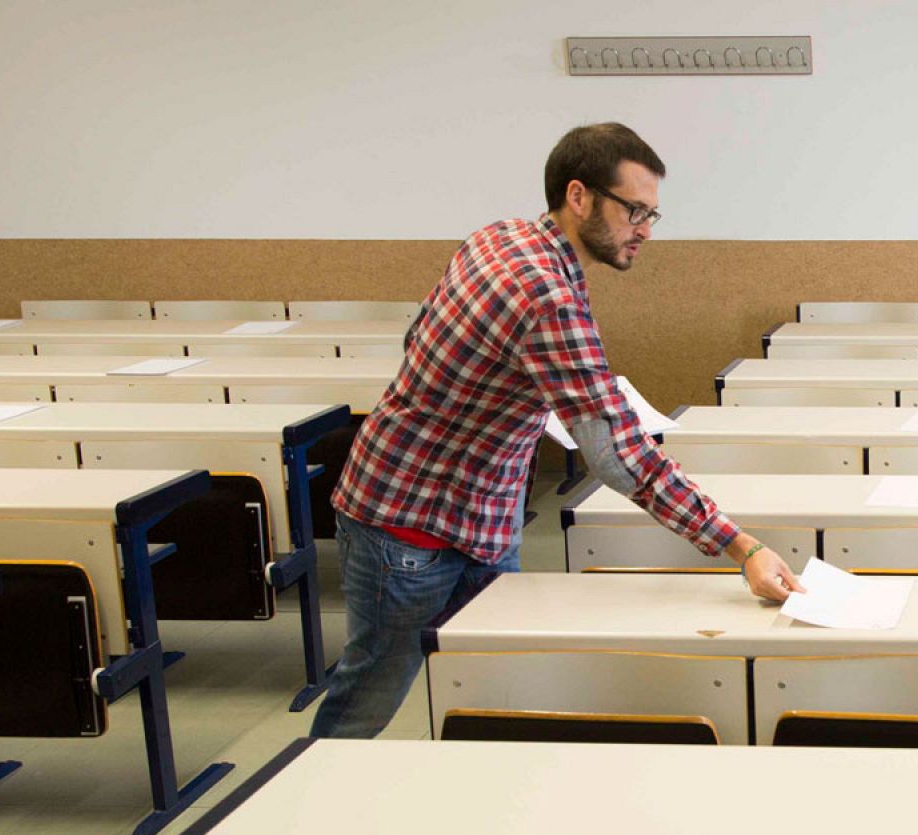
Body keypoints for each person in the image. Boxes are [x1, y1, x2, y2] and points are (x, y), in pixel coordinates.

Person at [310, 122, 805, 739]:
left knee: (495, 686)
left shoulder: (498, 237)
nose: (646, 230)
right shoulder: (546, 292)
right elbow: (619, 456)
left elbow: (420, 339)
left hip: (472, 514)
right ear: (579, 196)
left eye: (654, 213)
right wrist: (741, 546)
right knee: (367, 701)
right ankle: (286, 819)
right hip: (408, 527)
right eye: (634, 211)